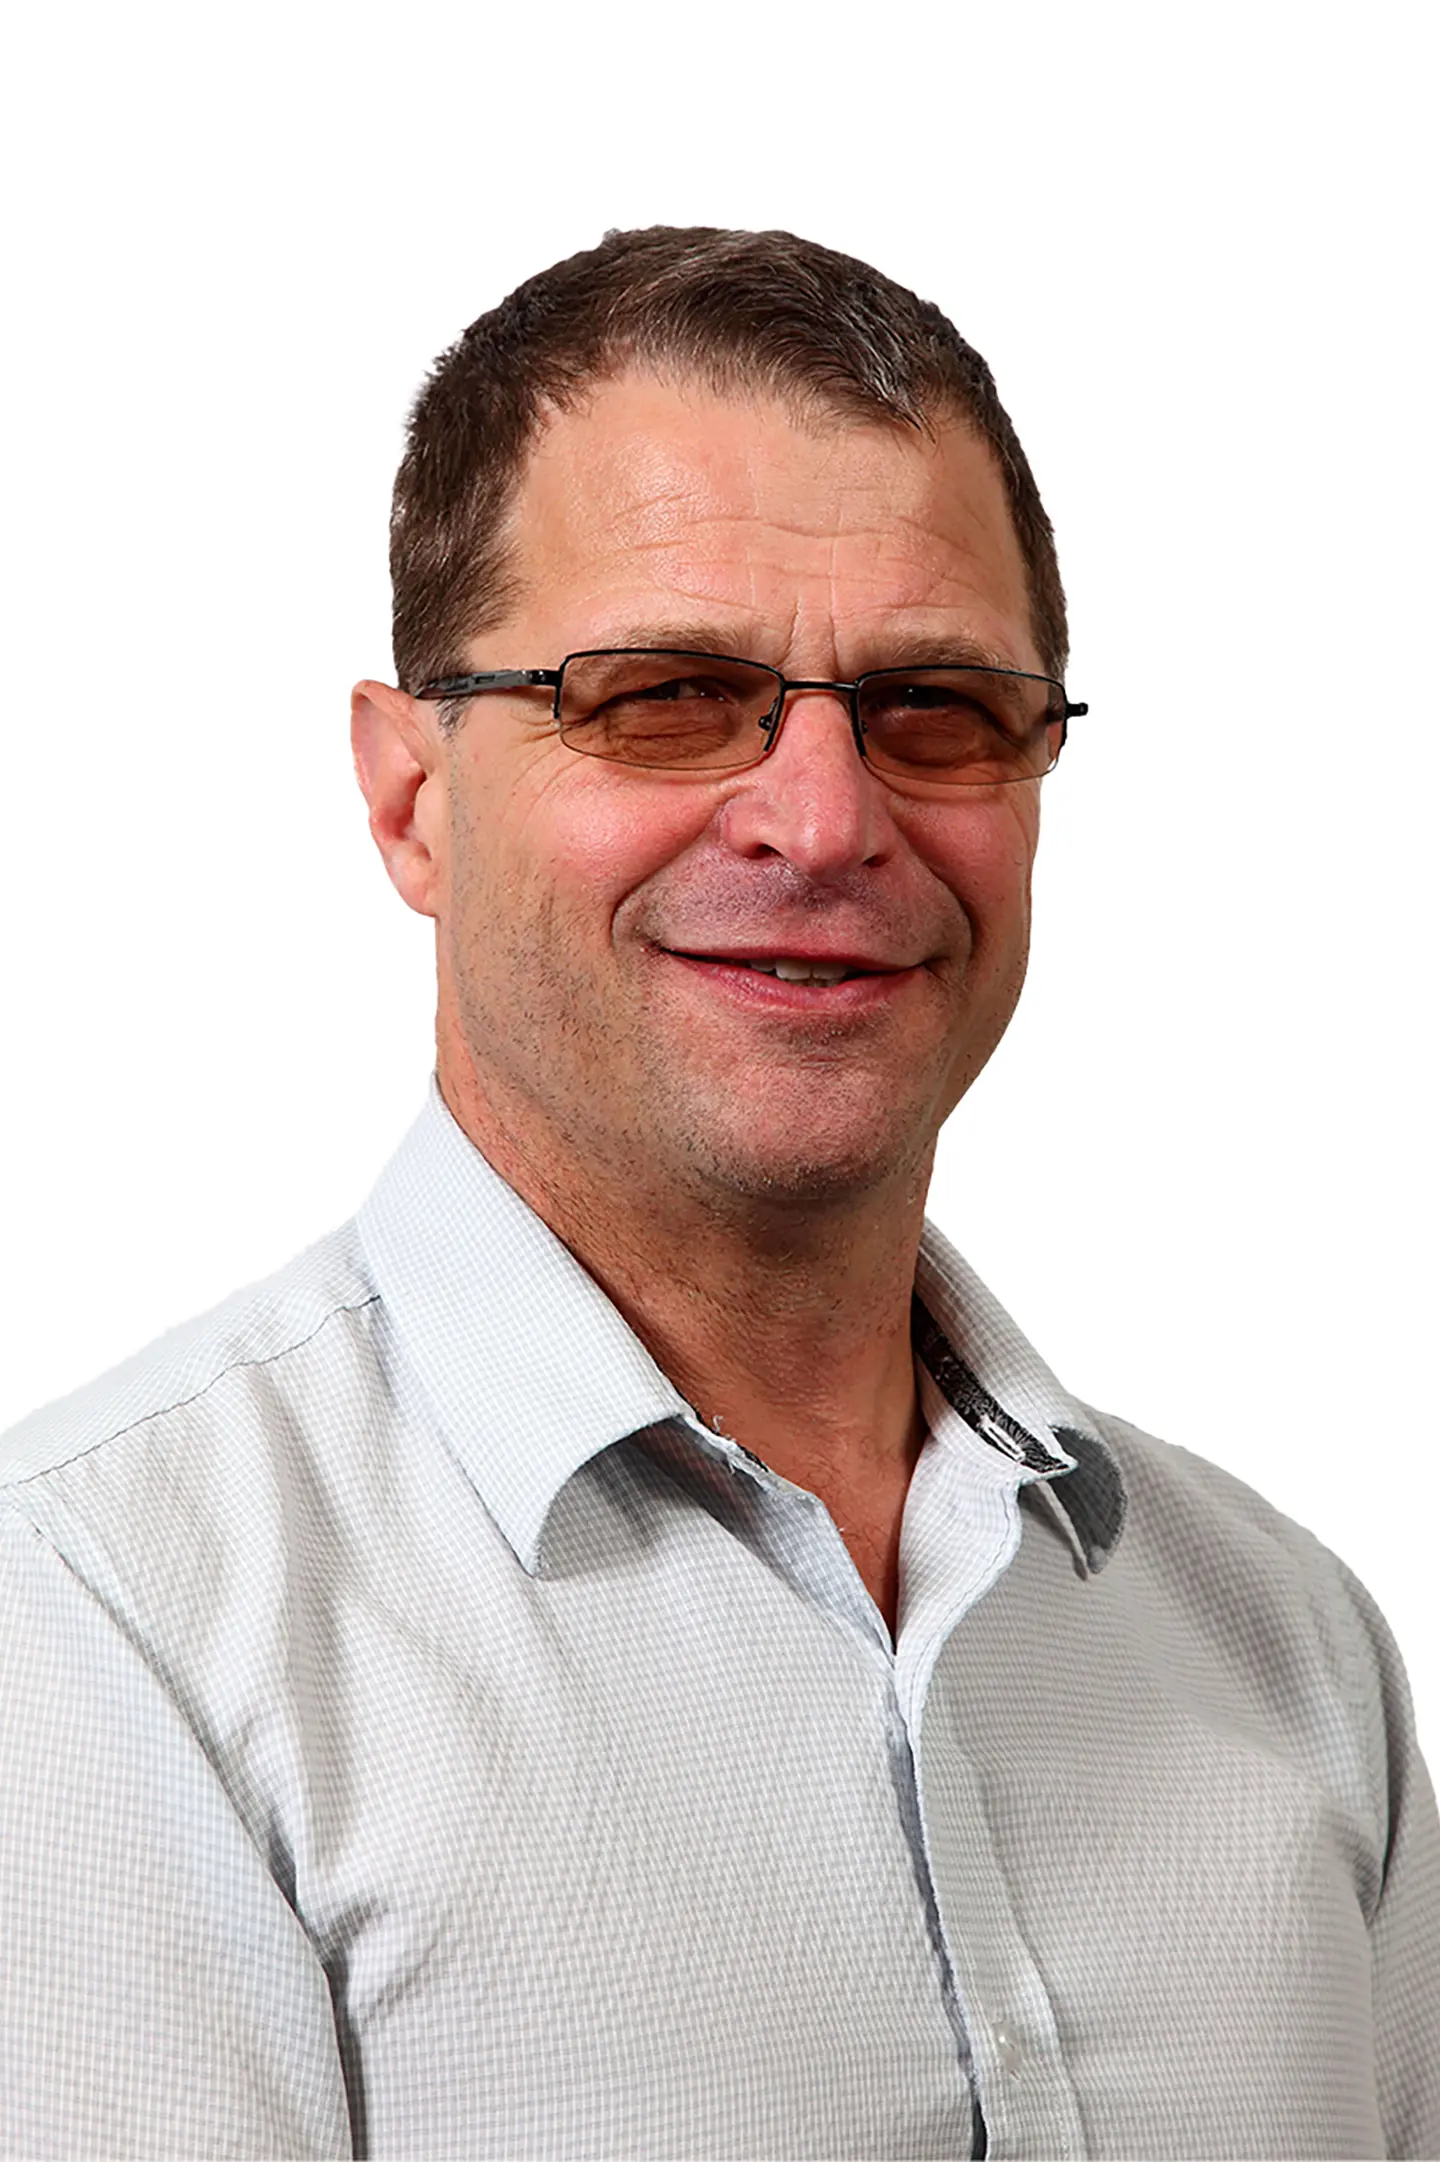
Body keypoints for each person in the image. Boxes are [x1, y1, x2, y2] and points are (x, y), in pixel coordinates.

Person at [1, 226, 1435, 2162]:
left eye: (935, 704)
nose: (826, 818)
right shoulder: (102, 1630)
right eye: (666, 692)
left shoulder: (1278, 1635)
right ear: (410, 794)